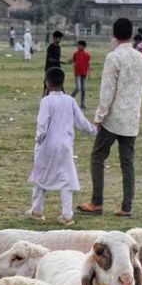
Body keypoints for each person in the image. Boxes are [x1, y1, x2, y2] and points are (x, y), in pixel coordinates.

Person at [77, 17, 142, 218]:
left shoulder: (114, 57)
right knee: (127, 162)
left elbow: (108, 91)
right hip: (132, 117)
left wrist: (99, 116)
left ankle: (97, 201)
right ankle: (127, 206)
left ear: (114, 35)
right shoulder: (141, 59)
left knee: (97, 156)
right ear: (131, 34)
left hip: (113, 118)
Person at [28, 66, 96, 226]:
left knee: (40, 177)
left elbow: (42, 124)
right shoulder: (70, 101)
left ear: (47, 83)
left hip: (46, 146)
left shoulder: (46, 101)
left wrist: (38, 139)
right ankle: (67, 215)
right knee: (66, 179)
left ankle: (37, 211)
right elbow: (82, 123)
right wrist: (94, 130)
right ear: (63, 82)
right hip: (65, 146)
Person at [70, 39, 90, 109]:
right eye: (77, 45)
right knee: (78, 88)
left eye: (79, 45)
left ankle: (82, 103)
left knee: (83, 89)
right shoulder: (75, 54)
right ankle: (70, 99)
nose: (78, 47)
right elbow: (74, 61)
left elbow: (88, 64)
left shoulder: (86, 55)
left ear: (83, 47)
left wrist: (89, 73)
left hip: (84, 73)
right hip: (77, 73)